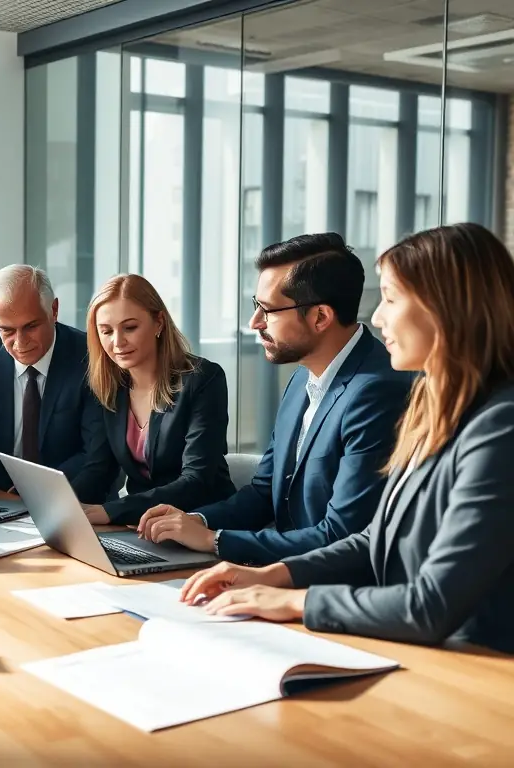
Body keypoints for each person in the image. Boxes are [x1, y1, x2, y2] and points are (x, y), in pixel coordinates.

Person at [180, 223, 514, 654]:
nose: (376, 317)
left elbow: (431, 604)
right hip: (411, 645)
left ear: (445, 310)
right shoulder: (432, 406)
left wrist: (293, 601)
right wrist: (273, 575)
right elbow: (376, 537)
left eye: (391, 299)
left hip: (475, 663)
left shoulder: (499, 426)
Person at [137, 233, 413, 565]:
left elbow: (340, 535)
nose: (255, 323)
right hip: (279, 574)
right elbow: (265, 492)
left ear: (320, 317)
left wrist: (214, 541)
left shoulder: (377, 391)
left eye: (267, 310)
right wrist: (197, 521)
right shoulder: (302, 378)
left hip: (326, 588)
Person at [70, 274, 235, 525]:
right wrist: (63, 507)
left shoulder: (203, 379)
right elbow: (100, 469)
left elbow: (197, 479)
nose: (117, 342)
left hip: (201, 523)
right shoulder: (111, 387)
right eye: (106, 331)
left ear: (158, 322)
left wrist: (112, 511)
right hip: (141, 526)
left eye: (130, 327)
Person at [0, 265, 104, 496]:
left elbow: (96, 453)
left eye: (31, 327)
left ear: (54, 310)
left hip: (75, 498)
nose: (20, 342)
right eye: (7, 330)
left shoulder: (91, 357)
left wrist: (37, 489)